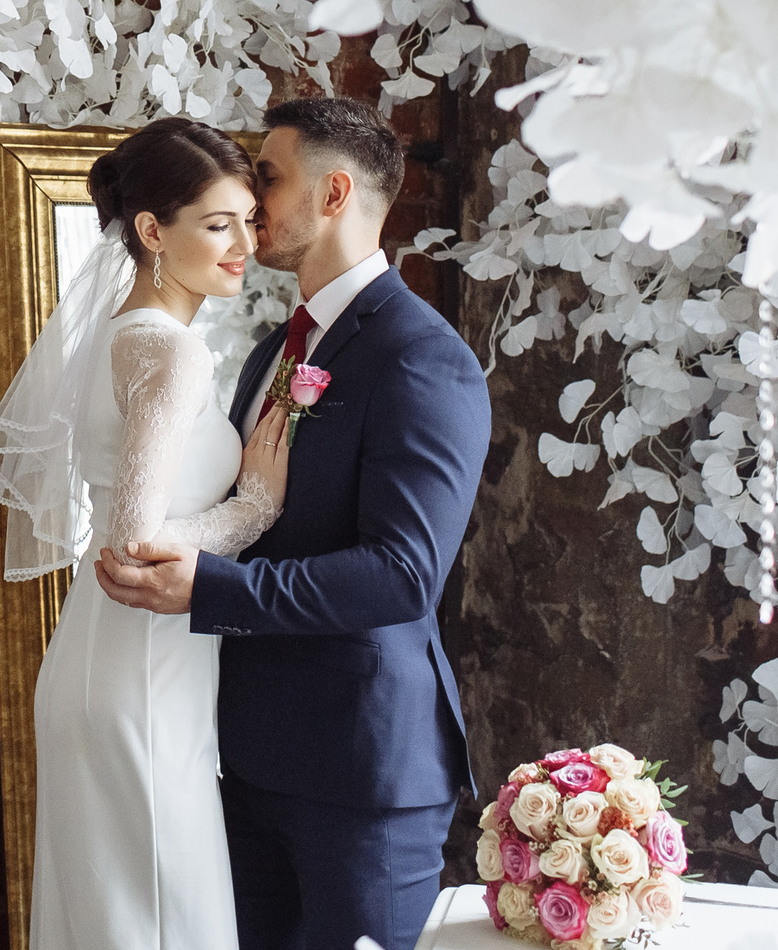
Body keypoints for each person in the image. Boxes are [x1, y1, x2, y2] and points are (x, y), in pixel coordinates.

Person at [97, 96, 491, 950]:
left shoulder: (422, 357)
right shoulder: (269, 349)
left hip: (362, 774)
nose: (250, 195)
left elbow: (401, 573)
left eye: (268, 176)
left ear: (336, 192)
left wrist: (209, 588)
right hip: (247, 760)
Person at [0, 116, 292, 950]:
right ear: (153, 230)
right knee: (167, 923)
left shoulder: (125, 335)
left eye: (248, 220)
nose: (243, 244)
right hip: (140, 683)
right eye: (218, 224)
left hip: (117, 666)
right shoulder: (170, 352)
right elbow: (134, 549)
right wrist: (255, 506)